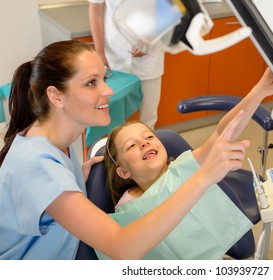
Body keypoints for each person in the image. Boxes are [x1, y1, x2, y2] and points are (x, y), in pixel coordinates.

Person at [0, 40, 256, 260]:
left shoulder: (58, 141)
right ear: (56, 96)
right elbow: (123, 246)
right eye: (91, 83)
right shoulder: (39, 164)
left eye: (104, 79)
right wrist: (202, 178)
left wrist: (73, 180)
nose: (108, 91)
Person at [101, 68, 273, 259]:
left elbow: (221, 133)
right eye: (131, 146)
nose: (144, 142)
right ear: (123, 172)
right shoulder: (128, 209)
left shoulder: (182, 168)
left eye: (149, 136)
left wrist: (259, 90)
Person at [88, 0, 164, 129]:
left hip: (149, 58)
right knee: (112, 117)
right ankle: (115, 148)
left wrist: (151, 39)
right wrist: (100, 52)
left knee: (148, 116)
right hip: (113, 56)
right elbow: (95, 10)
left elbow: (170, 9)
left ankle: (147, 147)